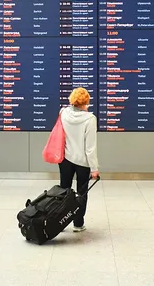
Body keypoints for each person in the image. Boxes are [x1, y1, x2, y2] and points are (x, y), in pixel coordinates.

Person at [59, 87, 99, 232]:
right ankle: (78, 223)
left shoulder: (63, 113)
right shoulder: (90, 119)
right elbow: (90, 147)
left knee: (64, 190)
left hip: (65, 159)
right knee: (81, 193)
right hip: (82, 162)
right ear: (86, 101)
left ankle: (59, 221)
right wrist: (94, 169)